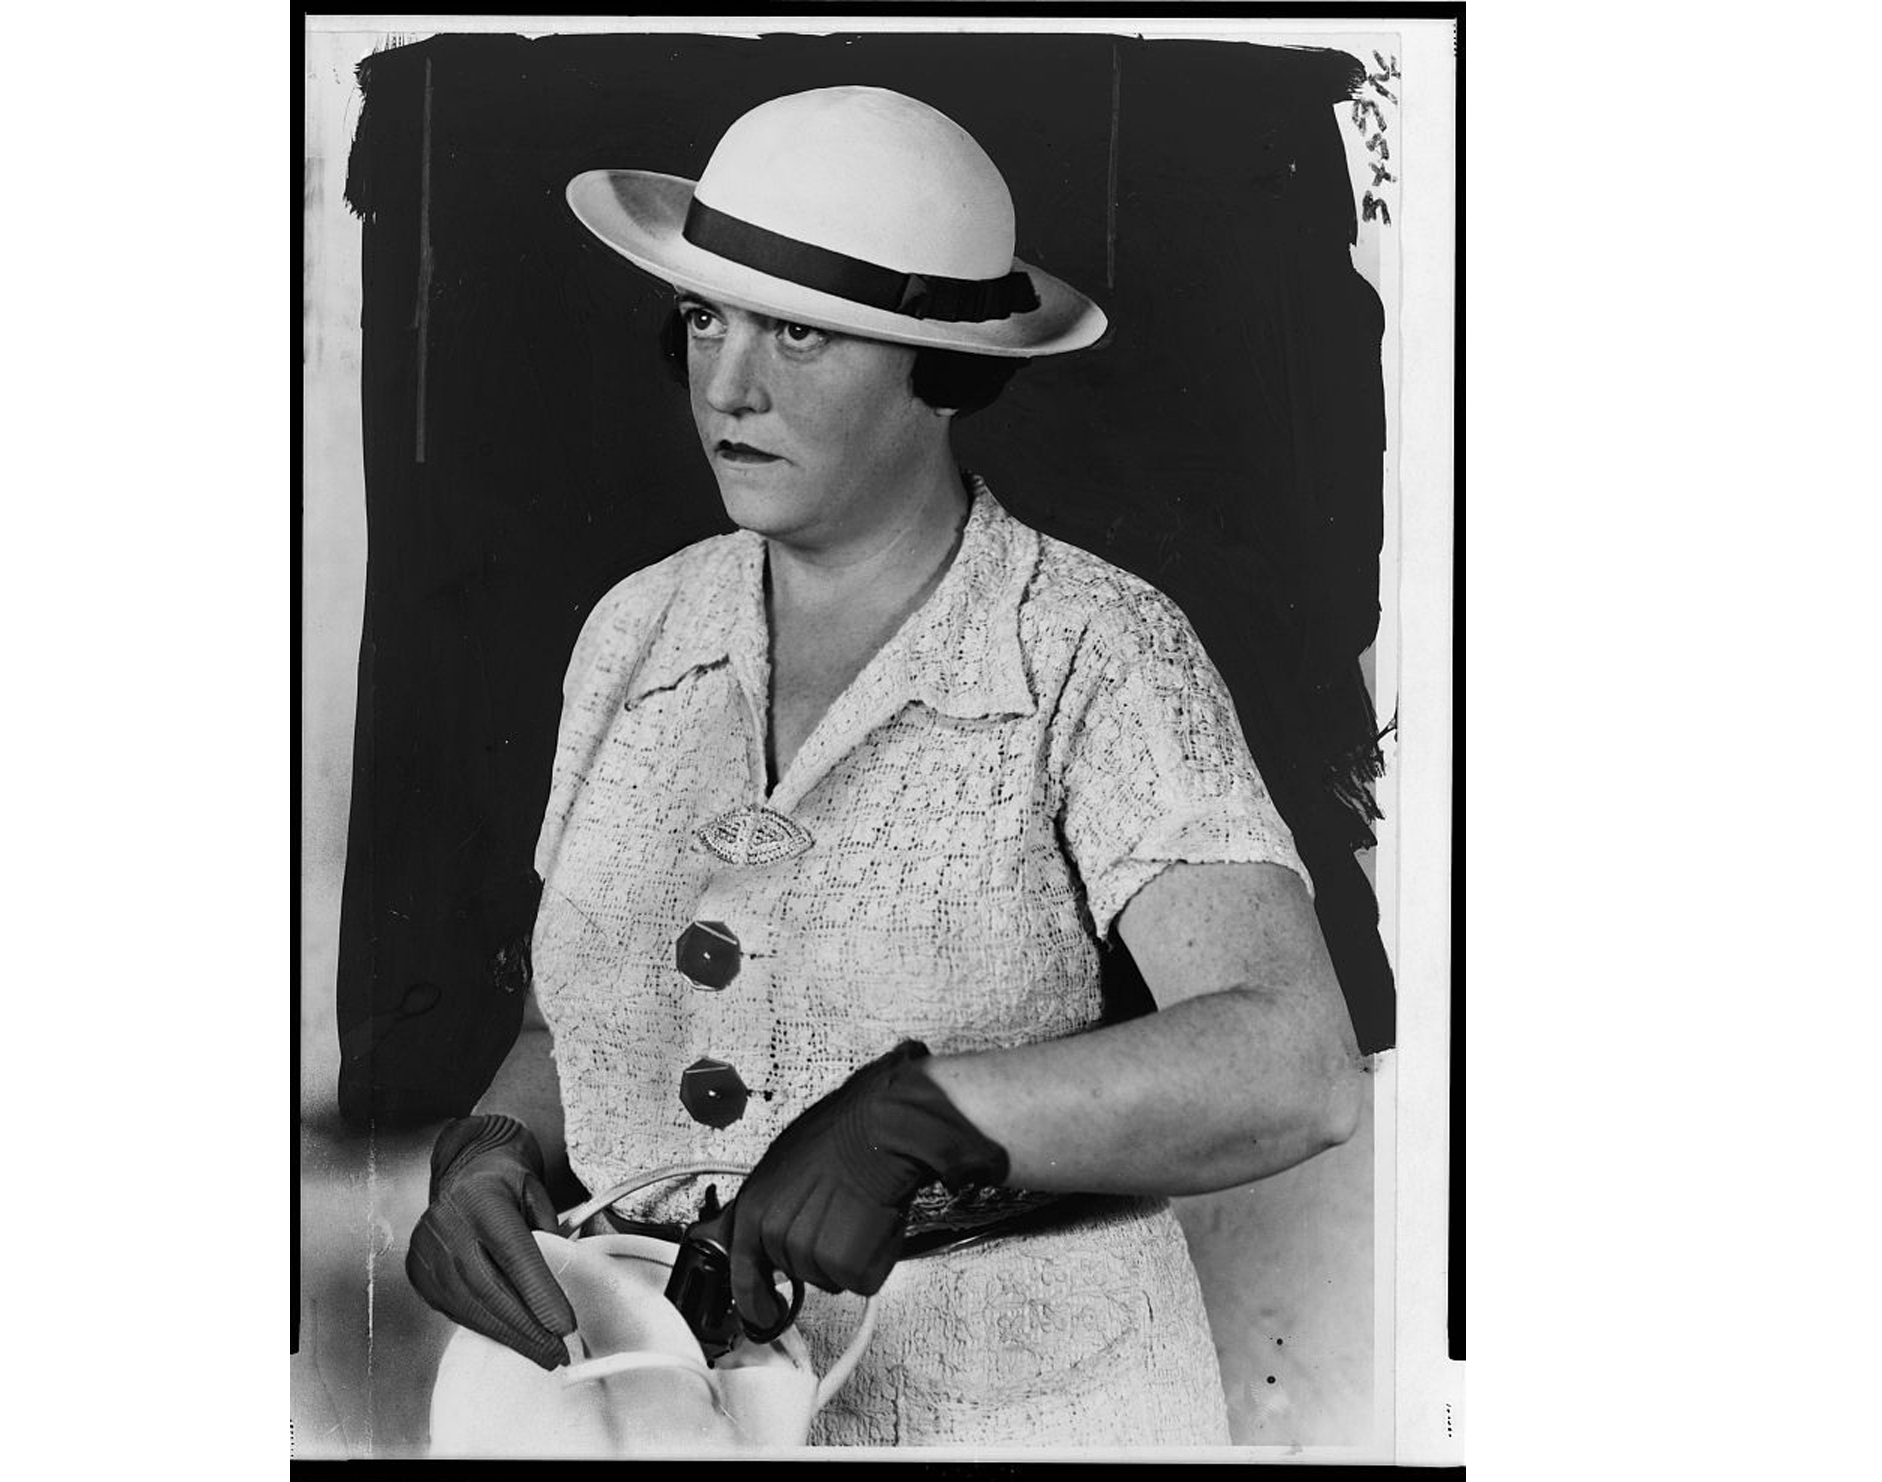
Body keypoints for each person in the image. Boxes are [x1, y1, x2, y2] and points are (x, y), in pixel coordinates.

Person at [405, 85, 1366, 1448]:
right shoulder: (635, 631)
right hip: (649, 1408)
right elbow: (571, 1030)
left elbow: (1295, 1062)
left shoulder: (1090, 648)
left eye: (798, 332)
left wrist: (923, 1120)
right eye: (705, 319)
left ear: (940, 367)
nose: (728, 386)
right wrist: (489, 1155)